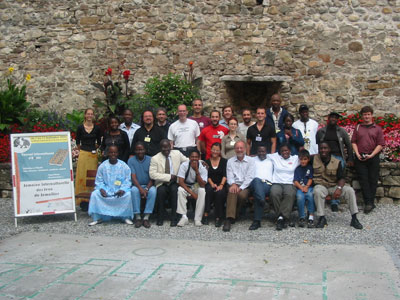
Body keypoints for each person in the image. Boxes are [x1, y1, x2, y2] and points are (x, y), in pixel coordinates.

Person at [313, 142, 363, 229]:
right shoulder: (313, 158)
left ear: (329, 150)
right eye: (321, 148)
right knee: (317, 191)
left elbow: (342, 177)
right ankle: (321, 218)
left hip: (334, 186)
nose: (323, 150)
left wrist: (339, 188)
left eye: (325, 148)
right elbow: (302, 159)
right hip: (321, 186)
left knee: (350, 191)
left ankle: (354, 218)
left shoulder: (337, 162)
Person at [88, 145, 133, 226]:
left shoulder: (124, 166)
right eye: (111, 152)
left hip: (119, 191)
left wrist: (122, 189)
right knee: (95, 194)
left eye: (115, 152)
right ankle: (97, 218)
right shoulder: (102, 166)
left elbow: (127, 181)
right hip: (106, 190)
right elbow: (99, 181)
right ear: (107, 153)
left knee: (128, 194)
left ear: (118, 153)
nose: (113, 154)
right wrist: (102, 189)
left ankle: (125, 217)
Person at [351, 106, 385, 214]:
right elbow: (354, 142)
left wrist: (372, 155)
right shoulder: (358, 128)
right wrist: (357, 154)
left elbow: (380, 144)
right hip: (360, 157)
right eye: (365, 114)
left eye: (368, 114)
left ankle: (370, 202)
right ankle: (368, 203)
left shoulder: (377, 128)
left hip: (373, 157)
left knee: (373, 179)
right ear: (362, 116)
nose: (366, 116)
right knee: (363, 180)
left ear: (372, 115)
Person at [149, 139, 188, 226]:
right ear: (160, 148)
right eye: (163, 148)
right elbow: (152, 174)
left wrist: (201, 162)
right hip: (162, 182)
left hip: (174, 182)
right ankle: (160, 218)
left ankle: (174, 218)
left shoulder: (177, 153)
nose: (166, 150)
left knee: (175, 191)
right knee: (161, 192)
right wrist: (169, 177)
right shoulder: (155, 158)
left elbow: (188, 161)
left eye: (167, 147)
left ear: (171, 147)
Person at [224, 141, 255, 232]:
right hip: (233, 183)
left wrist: (241, 188)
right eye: (237, 148)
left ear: (245, 149)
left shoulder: (250, 161)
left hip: (245, 186)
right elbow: (229, 175)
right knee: (232, 191)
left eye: (241, 148)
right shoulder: (230, 161)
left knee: (241, 195)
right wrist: (233, 184)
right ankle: (229, 219)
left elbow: (250, 177)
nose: (239, 150)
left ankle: (235, 214)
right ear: (234, 149)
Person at [74, 108, 102, 212]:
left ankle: (91, 199)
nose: (90, 116)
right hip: (83, 154)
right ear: (85, 115)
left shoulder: (97, 128)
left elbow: (99, 142)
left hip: (92, 155)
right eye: (88, 114)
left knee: (92, 177)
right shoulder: (80, 127)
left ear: (93, 116)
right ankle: (82, 201)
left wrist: (93, 148)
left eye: (91, 114)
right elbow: (77, 141)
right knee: (82, 176)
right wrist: (83, 149)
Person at [269, 143, 299, 230]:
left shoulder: (295, 158)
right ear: (280, 152)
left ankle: (280, 218)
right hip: (277, 182)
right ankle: (283, 217)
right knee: (274, 193)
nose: (284, 152)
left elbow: (307, 157)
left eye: (286, 150)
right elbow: (261, 154)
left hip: (289, 183)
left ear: (290, 151)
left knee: (289, 194)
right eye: (282, 151)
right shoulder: (275, 157)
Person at [128, 142, 156, 229]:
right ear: (135, 151)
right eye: (137, 150)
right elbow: (133, 177)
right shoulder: (131, 160)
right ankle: (138, 217)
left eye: (141, 149)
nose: (139, 151)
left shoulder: (151, 159)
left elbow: (152, 176)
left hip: (149, 185)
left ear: (145, 150)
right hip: (137, 185)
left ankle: (146, 217)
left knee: (153, 191)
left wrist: (147, 188)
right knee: (133, 191)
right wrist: (140, 189)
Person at [176, 149, 208, 227]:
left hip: (197, 185)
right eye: (192, 157)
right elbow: (180, 182)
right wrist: (192, 194)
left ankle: (197, 218)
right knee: (180, 190)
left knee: (202, 191)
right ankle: (184, 217)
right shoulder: (184, 165)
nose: (194, 159)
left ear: (199, 157)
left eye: (196, 157)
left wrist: (197, 170)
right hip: (186, 186)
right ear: (189, 157)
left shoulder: (203, 166)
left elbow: (203, 184)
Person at [248, 145, 273, 230]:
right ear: (257, 152)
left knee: (258, 194)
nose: (261, 153)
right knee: (256, 180)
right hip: (254, 183)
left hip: (267, 184)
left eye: (263, 151)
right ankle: (262, 199)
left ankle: (257, 221)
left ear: (267, 152)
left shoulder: (271, 159)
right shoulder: (252, 160)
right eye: (259, 151)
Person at [204, 142, 227, 227]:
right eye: (213, 149)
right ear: (210, 150)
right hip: (210, 183)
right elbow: (207, 175)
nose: (215, 152)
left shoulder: (224, 161)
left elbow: (225, 175)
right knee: (209, 190)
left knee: (219, 193)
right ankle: (206, 214)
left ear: (220, 151)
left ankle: (218, 217)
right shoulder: (206, 161)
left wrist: (221, 185)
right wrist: (212, 184)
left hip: (221, 183)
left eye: (217, 150)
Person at [293, 149, 315, 228]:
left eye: (305, 159)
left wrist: (306, 186)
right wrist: (301, 188)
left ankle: (311, 216)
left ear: (308, 159)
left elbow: (310, 178)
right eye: (301, 159)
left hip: (308, 187)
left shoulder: (310, 168)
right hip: (300, 188)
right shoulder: (297, 169)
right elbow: (295, 181)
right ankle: (302, 216)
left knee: (310, 196)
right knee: (299, 197)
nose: (303, 161)